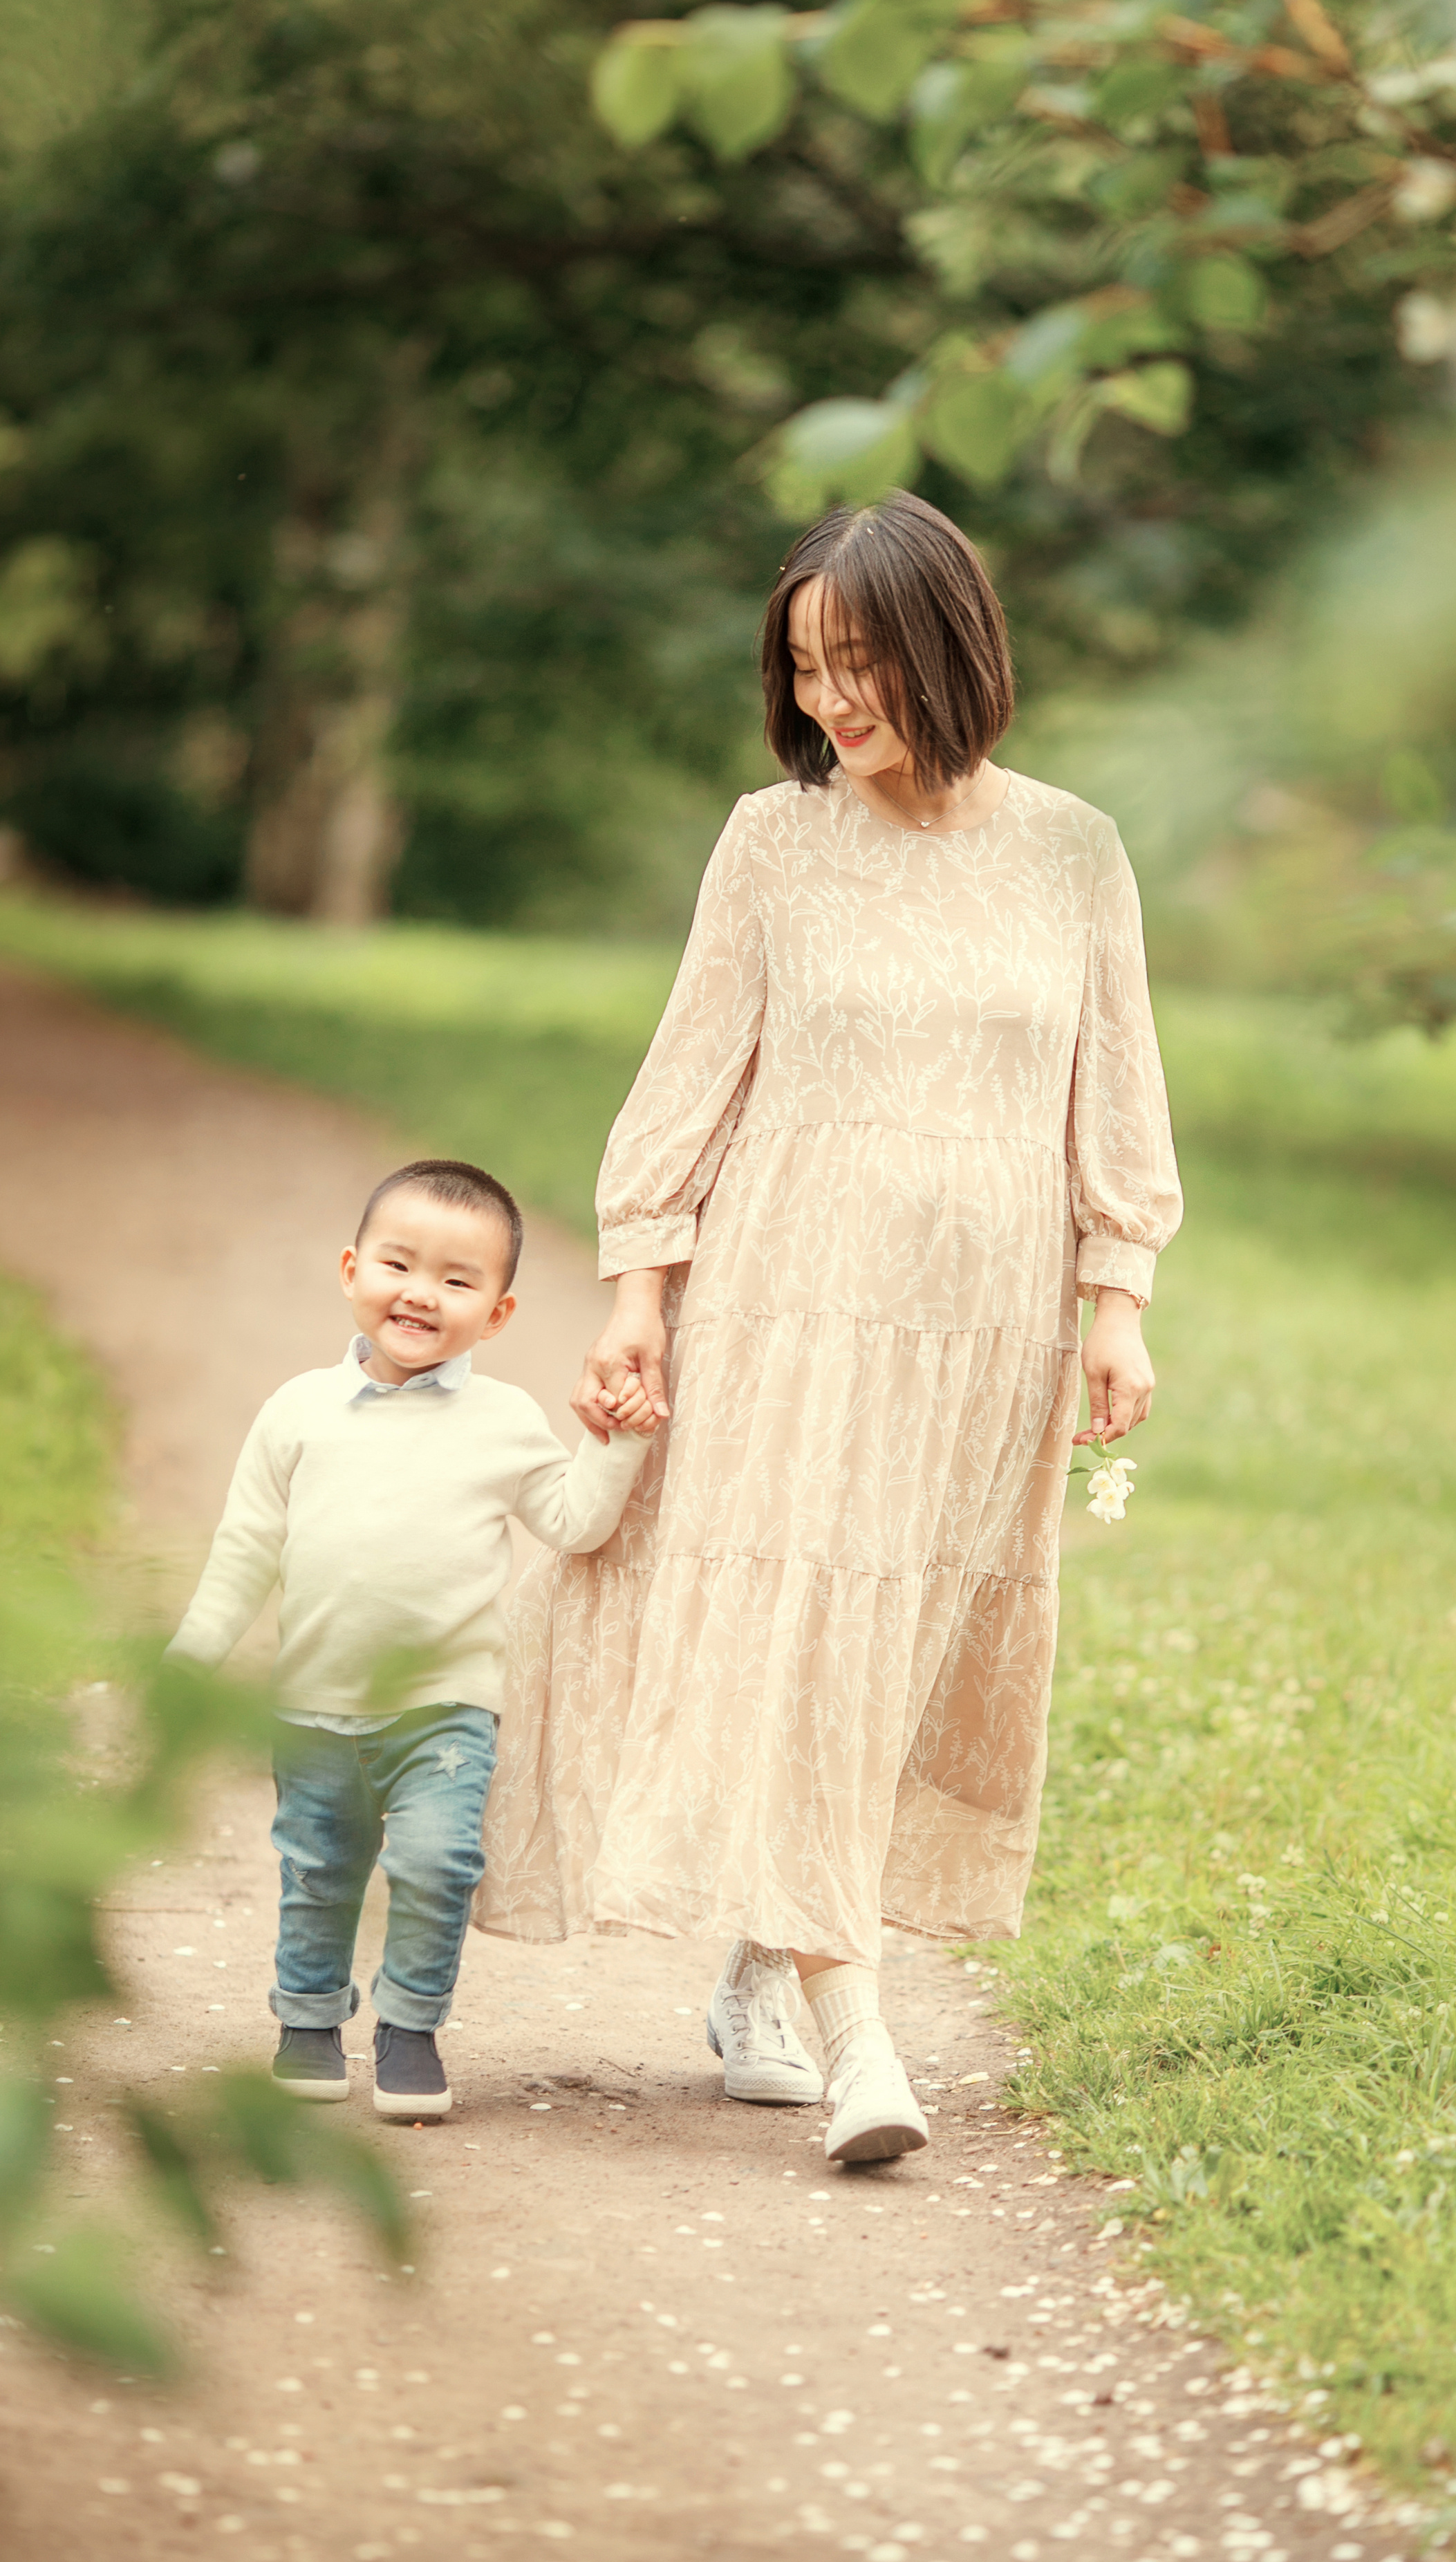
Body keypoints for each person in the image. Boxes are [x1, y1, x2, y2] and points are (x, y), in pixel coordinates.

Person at [476, 492, 1182, 2164]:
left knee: (888, 1654)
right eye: (802, 672)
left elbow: (1117, 1094)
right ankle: (864, 2038)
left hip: (979, 1336)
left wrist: (1117, 1302)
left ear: (948, 649)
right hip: (784, 1306)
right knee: (799, 1625)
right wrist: (641, 1295)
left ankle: (757, 1967)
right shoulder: (769, 840)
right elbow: (689, 1075)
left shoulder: (1072, 850)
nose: (828, 706)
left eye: (856, 665)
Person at [167, 1159, 652, 2120]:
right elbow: (245, 1550)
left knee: (436, 1868)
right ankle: (308, 2022)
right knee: (318, 1871)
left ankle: (410, 2028)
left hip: (445, 1711)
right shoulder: (296, 1412)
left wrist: (619, 1439)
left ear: (499, 1314)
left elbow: (575, 1522)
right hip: (313, 1708)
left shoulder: (503, 1422)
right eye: (400, 1264)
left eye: (459, 1280)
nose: (422, 1293)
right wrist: (187, 1664)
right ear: (353, 1270)